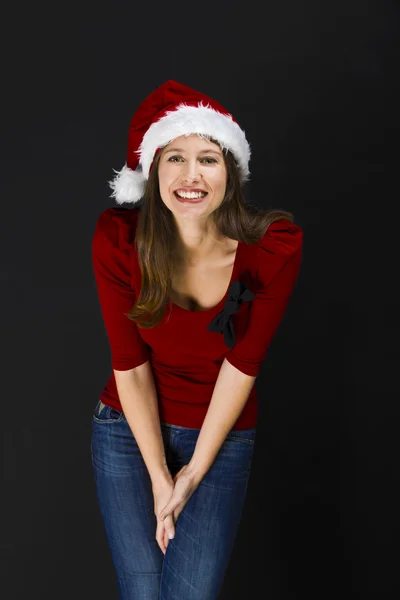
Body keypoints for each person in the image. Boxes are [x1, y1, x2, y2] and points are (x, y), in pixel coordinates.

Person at [90, 79, 303, 600]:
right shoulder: (119, 241)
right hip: (127, 430)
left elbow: (243, 366)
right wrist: (162, 476)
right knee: (142, 594)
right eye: (174, 159)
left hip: (220, 435)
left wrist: (191, 474)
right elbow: (130, 364)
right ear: (152, 171)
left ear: (230, 173)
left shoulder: (271, 250)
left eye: (208, 159)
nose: (191, 176)